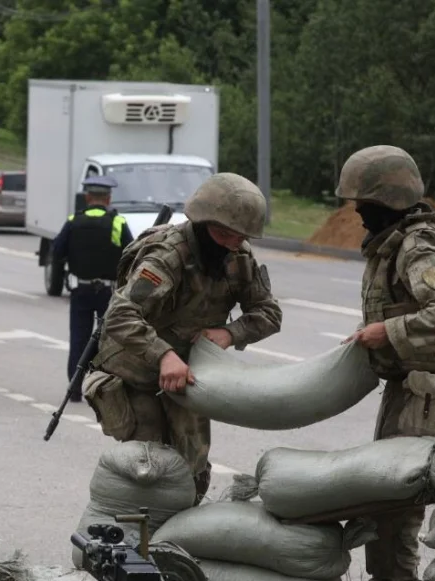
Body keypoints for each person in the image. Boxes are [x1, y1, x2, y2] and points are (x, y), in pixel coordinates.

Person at [336, 144, 435, 581]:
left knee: (395, 502)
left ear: (386, 200)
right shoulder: (399, 242)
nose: (357, 212)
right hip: (412, 389)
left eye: (363, 202)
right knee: (389, 499)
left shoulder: (416, 247)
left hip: (428, 396)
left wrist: (387, 331)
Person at [82, 172, 282, 506]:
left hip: (187, 375)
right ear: (202, 224)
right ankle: (139, 534)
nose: (232, 244)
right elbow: (120, 315)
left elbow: (269, 314)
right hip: (137, 372)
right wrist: (163, 355)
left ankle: (179, 532)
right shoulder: (167, 256)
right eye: (223, 234)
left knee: (193, 470)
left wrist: (230, 333)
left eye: (240, 237)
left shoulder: (239, 258)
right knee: (150, 468)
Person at [50, 175, 134, 403]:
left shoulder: (73, 221)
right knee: (107, 341)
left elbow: (56, 252)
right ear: (108, 199)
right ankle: (102, 389)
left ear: (87, 198)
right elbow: (131, 253)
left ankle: (75, 389)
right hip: (107, 292)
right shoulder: (117, 222)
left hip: (80, 290)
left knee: (78, 338)